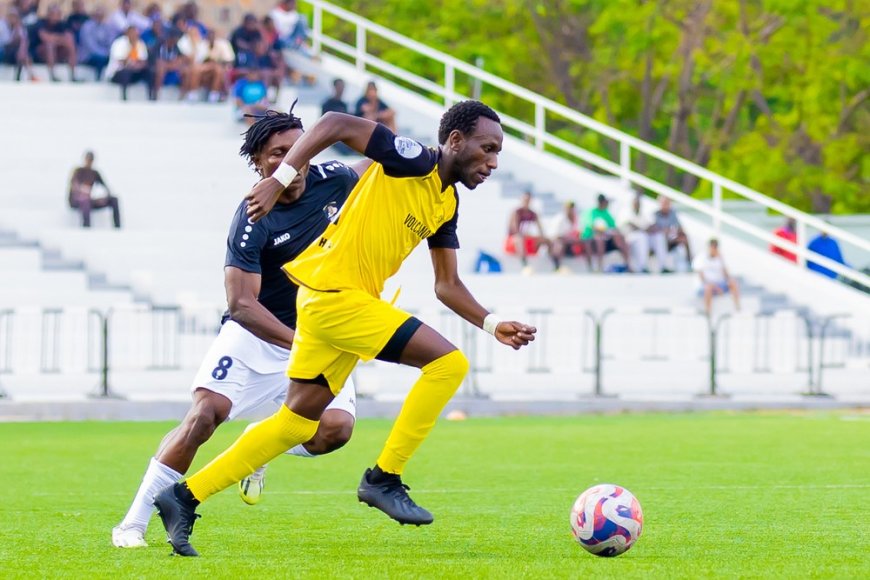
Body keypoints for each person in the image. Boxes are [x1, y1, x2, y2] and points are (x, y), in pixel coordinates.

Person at [153, 101, 537, 557]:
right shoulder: (413, 159)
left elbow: (447, 285)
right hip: (335, 298)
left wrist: (493, 324)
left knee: (295, 424)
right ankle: (383, 478)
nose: (492, 162)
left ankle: (183, 497)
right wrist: (278, 181)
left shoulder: (446, 203)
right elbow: (334, 124)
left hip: (331, 303)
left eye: (498, 154)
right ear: (455, 141)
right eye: (487, 148)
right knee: (448, 364)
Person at [112, 108, 369, 548]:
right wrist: (300, 343)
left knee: (335, 431)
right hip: (256, 337)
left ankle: (262, 442)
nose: (294, 161)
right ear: (259, 163)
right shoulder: (253, 216)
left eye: (300, 148)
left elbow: (381, 161)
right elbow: (242, 305)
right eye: (279, 153)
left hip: (318, 334)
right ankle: (132, 525)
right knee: (203, 418)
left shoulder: (336, 178)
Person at [68, 151, 121, 229]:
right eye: (88, 159)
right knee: (85, 200)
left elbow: (105, 187)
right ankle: (86, 229)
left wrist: (101, 197)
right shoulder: (78, 171)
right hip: (77, 201)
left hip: (89, 200)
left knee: (114, 199)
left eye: (91, 160)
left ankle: (117, 228)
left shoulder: (94, 173)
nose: (89, 162)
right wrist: (83, 190)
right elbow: (75, 186)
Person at [582, 194, 631, 273]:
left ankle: (628, 265)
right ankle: (599, 267)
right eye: (606, 202)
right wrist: (603, 231)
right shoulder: (591, 212)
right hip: (590, 237)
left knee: (619, 237)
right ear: (602, 202)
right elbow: (591, 226)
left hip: (604, 237)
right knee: (599, 239)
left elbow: (613, 226)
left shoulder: (606, 213)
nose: (608, 204)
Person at [33, 3, 79, 82]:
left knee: (70, 45)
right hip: (41, 53)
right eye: (53, 13)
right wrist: (60, 39)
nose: (55, 16)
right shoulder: (41, 23)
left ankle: (73, 75)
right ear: (48, 14)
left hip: (58, 52)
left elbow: (69, 38)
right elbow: (45, 38)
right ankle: (52, 75)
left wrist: (54, 38)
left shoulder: (63, 24)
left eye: (57, 14)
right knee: (49, 45)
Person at [693, 239, 740, 316]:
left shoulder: (720, 258)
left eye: (715, 246)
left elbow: (726, 275)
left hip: (718, 284)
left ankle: (737, 308)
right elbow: (702, 278)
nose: (714, 248)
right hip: (706, 286)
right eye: (712, 246)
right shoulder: (701, 258)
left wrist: (721, 259)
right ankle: (708, 312)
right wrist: (715, 287)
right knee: (708, 287)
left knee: (733, 282)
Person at [506, 191, 551, 271]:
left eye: (528, 200)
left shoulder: (533, 213)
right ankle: (525, 265)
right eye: (525, 200)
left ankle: (555, 265)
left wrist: (541, 237)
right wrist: (527, 235)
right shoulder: (516, 212)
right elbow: (515, 231)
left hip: (527, 241)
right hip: (513, 242)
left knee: (547, 240)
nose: (526, 202)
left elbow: (541, 230)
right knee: (518, 238)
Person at [106, 25, 151, 101]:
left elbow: (143, 61)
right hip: (117, 73)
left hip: (134, 71)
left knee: (150, 71)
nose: (134, 35)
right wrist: (132, 48)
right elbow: (121, 61)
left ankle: (151, 97)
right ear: (127, 33)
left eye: (135, 33)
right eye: (132, 33)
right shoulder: (119, 43)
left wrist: (138, 66)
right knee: (125, 72)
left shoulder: (140, 43)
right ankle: (124, 98)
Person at [618, 192, 657, 273]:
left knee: (656, 237)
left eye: (638, 204)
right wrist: (641, 229)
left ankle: (657, 266)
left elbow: (649, 226)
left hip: (643, 236)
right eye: (635, 203)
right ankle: (642, 266)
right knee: (642, 237)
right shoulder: (626, 213)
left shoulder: (643, 215)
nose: (637, 205)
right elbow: (628, 226)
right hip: (629, 237)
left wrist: (643, 229)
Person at [651, 196, 692, 272]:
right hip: (660, 242)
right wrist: (666, 231)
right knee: (660, 238)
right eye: (664, 203)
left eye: (667, 203)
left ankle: (689, 262)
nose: (666, 205)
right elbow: (655, 229)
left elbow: (679, 227)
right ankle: (663, 266)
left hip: (672, 239)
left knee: (684, 237)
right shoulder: (655, 215)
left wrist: (677, 231)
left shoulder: (673, 213)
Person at [548, 201, 586, 272]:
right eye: (568, 208)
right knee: (559, 244)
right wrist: (567, 239)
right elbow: (554, 236)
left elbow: (580, 233)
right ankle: (557, 267)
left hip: (572, 244)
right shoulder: (559, 219)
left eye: (572, 208)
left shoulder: (577, 219)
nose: (570, 210)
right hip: (559, 243)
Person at [77, 6, 114, 80]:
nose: (99, 16)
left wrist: (109, 52)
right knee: (99, 59)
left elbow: (111, 41)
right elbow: (90, 46)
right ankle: (98, 80)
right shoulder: (87, 26)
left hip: (105, 54)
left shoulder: (106, 26)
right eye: (98, 14)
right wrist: (104, 54)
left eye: (101, 15)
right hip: (88, 56)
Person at [0, 7, 36, 82]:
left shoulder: (20, 26)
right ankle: (30, 75)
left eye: (14, 17)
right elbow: (5, 43)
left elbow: (25, 41)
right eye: (11, 16)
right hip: (4, 52)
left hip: (16, 53)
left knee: (23, 52)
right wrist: (16, 35)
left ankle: (22, 75)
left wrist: (17, 29)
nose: (13, 18)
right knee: (22, 52)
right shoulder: (2, 25)